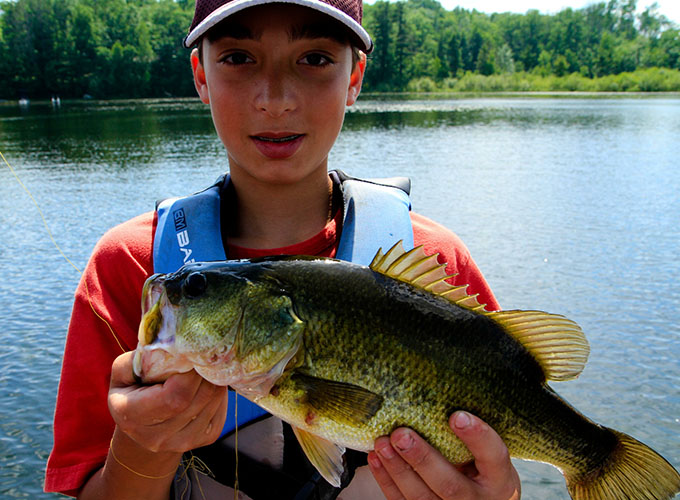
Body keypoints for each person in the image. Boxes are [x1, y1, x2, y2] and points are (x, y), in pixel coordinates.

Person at [44, 0, 521, 498]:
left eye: (314, 58)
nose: (275, 99)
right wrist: (143, 446)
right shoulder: (128, 266)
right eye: (238, 58)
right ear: (200, 75)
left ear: (354, 76)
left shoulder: (434, 262)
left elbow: (501, 474)